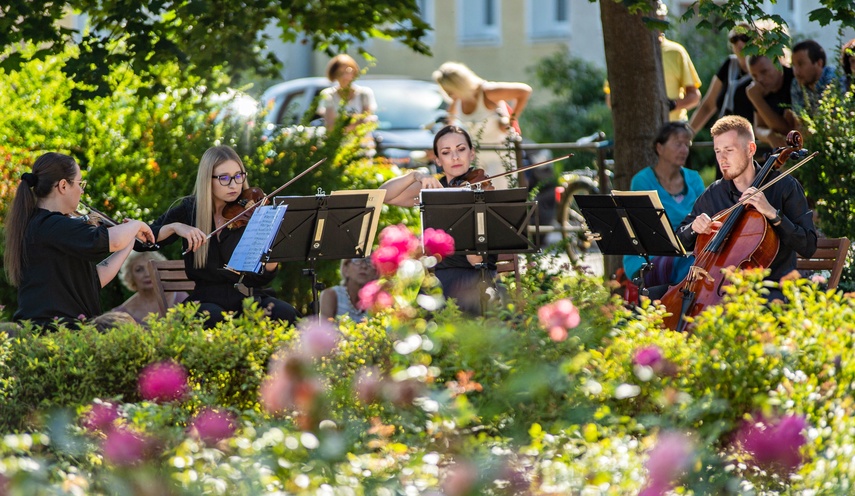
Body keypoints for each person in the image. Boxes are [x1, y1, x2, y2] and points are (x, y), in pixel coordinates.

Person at [144, 145, 299, 329]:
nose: (234, 185)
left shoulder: (252, 212)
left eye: (238, 176)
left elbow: (261, 279)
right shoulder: (190, 210)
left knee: (286, 314)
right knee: (211, 318)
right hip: (205, 301)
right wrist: (176, 227)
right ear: (207, 180)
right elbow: (145, 241)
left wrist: (272, 256)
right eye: (224, 178)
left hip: (249, 299)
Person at [4, 152, 156, 329]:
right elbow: (111, 241)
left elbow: (92, 280)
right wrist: (137, 225)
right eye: (80, 183)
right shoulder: (51, 225)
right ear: (63, 186)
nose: (82, 190)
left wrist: (129, 242)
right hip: (53, 334)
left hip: (59, 332)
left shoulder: (46, 225)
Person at [674, 115, 817, 301]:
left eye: (729, 150)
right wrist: (693, 228)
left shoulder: (784, 186)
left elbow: (809, 246)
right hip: (718, 292)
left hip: (771, 291)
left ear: (750, 149)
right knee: (657, 297)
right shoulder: (715, 193)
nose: (722, 158)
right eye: (717, 151)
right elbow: (679, 241)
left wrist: (773, 214)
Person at [380, 125, 497, 313]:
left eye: (461, 149)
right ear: (438, 160)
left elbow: (476, 260)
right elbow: (383, 195)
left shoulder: (482, 189)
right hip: (438, 279)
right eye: (446, 152)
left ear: (472, 153)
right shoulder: (433, 189)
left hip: (476, 277)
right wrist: (415, 176)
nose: (455, 157)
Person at [622, 122, 705, 287]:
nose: (684, 150)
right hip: (647, 258)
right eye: (677, 144)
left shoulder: (694, 178)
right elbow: (645, 228)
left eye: (687, 144)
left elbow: (706, 214)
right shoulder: (642, 181)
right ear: (659, 148)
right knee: (697, 268)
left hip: (689, 252)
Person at [432, 62, 531, 190]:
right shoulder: (458, 100)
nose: (450, 95)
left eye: (451, 91)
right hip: (475, 159)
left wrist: (510, 121)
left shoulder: (487, 92)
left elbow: (524, 91)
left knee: (498, 198)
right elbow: (448, 124)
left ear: (459, 85)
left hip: (499, 157)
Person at [688, 22, 755, 133]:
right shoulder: (729, 64)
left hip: (754, 141)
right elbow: (708, 106)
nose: (739, 42)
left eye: (745, 37)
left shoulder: (762, 68)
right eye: (734, 38)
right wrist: (688, 134)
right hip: (726, 138)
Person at [112, 250, 188, 324]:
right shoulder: (121, 315)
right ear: (130, 276)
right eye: (139, 270)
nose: (147, 274)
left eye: (151, 268)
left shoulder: (181, 298)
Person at [317, 54, 377, 132]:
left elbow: (366, 119)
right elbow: (330, 125)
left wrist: (346, 127)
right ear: (334, 74)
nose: (345, 77)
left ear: (354, 72)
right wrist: (355, 124)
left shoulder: (364, 93)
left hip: (362, 142)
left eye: (348, 72)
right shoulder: (328, 94)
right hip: (337, 142)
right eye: (340, 73)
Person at [745, 54, 795, 149]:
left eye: (764, 72)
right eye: (754, 76)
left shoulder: (795, 80)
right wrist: (768, 134)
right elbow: (758, 127)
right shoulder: (758, 88)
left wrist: (757, 100)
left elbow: (787, 131)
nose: (760, 79)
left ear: (779, 62)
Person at [319, 257, 378, 322]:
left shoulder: (379, 299)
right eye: (357, 260)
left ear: (375, 272)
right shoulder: (331, 295)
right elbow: (325, 329)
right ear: (345, 269)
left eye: (369, 261)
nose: (364, 266)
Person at [790, 39, 837, 116]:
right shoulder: (796, 83)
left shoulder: (833, 80)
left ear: (819, 63)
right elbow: (800, 121)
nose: (796, 72)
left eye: (801, 64)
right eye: (794, 65)